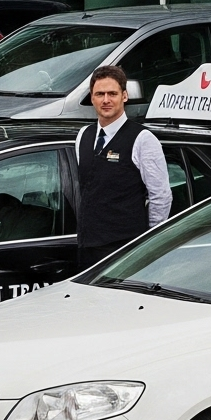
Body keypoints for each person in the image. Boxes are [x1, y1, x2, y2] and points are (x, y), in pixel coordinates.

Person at [74, 63, 171, 268]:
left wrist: (149, 243)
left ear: (124, 96)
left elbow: (160, 196)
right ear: (92, 98)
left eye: (112, 93)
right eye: (100, 94)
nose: (106, 100)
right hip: (87, 248)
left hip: (125, 251)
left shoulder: (143, 139)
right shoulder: (84, 135)